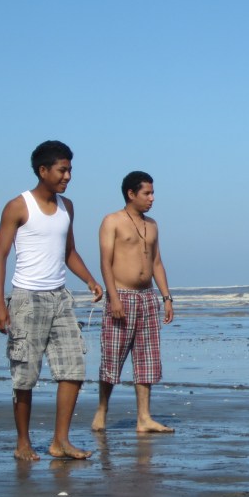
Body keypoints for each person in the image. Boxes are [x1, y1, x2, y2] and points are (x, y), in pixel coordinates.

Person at [0, 140, 103, 461]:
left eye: (70, 170)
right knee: (25, 374)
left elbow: (69, 252)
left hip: (60, 298)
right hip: (27, 298)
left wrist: (91, 280)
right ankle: (23, 443)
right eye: (62, 169)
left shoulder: (68, 206)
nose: (67, 176)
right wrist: (0, 304)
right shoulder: (18, 206)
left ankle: (60, 441)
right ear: (43, 170)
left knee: (73, 369)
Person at [91, 171, 175, 434]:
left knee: (147, 359)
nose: (152, 198)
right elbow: (105, 261)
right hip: (122, 295)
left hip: (147, 297)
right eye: (146, 193)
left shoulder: (152, 224)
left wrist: (167, 297)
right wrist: (113, 296)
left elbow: (157, 262)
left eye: (152, 193)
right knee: (112, 358)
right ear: (131, 193)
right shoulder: (112, 221)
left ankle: (144, 418)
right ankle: (102, 410)